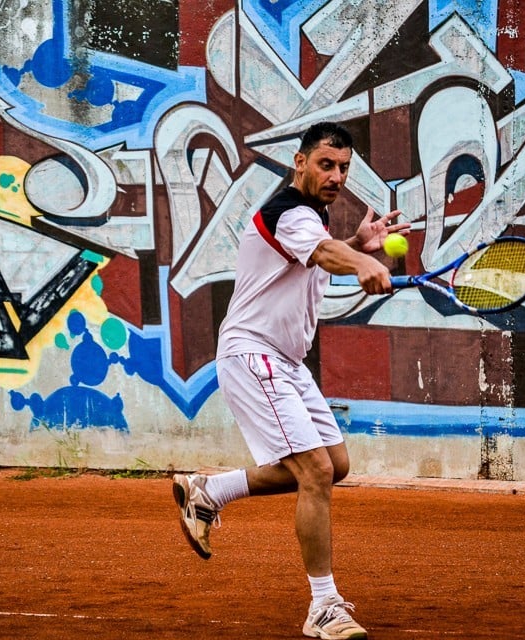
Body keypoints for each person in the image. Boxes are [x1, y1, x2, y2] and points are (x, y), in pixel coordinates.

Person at [173, 121, 408, 640]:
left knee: (334, 465)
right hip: (254, 356)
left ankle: (209, 491)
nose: (336, 176)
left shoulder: (311, 219)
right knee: (316, 472)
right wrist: (359, 258)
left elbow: (316, 253)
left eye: (344, 168)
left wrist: (355, 240)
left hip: (286, 362)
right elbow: (322, 254)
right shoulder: (288, 211)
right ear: (299, 162)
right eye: (326, 164)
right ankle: (323, 605)